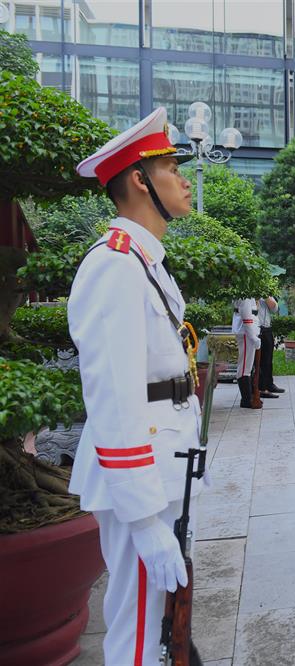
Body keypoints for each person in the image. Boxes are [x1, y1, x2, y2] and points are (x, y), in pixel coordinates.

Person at [68, 107, 202, 664]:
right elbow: (114, 397)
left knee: (160, 626)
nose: (185, 179)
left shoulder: (147, 263)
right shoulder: (115, 266)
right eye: (172, 167)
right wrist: (145, 520)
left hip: (163, 460)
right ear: (139, 181)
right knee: (141, 636)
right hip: (140, 475)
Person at [232, 296, 261, 408]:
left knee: (246, 366)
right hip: (246, 333)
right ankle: (246, 399)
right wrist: (253, 337)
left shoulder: (248, 294)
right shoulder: (246, 295)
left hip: (247, 332)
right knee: (244, 367)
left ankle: (248, 397)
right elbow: (246, 316)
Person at [257, 296, 283, 398]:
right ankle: (261, 388)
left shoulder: (267, 293)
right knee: (260, 360)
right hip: (256, 328)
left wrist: (266, 294)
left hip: (267, 328)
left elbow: (274, 308)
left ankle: (269, 384)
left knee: (268, 359)